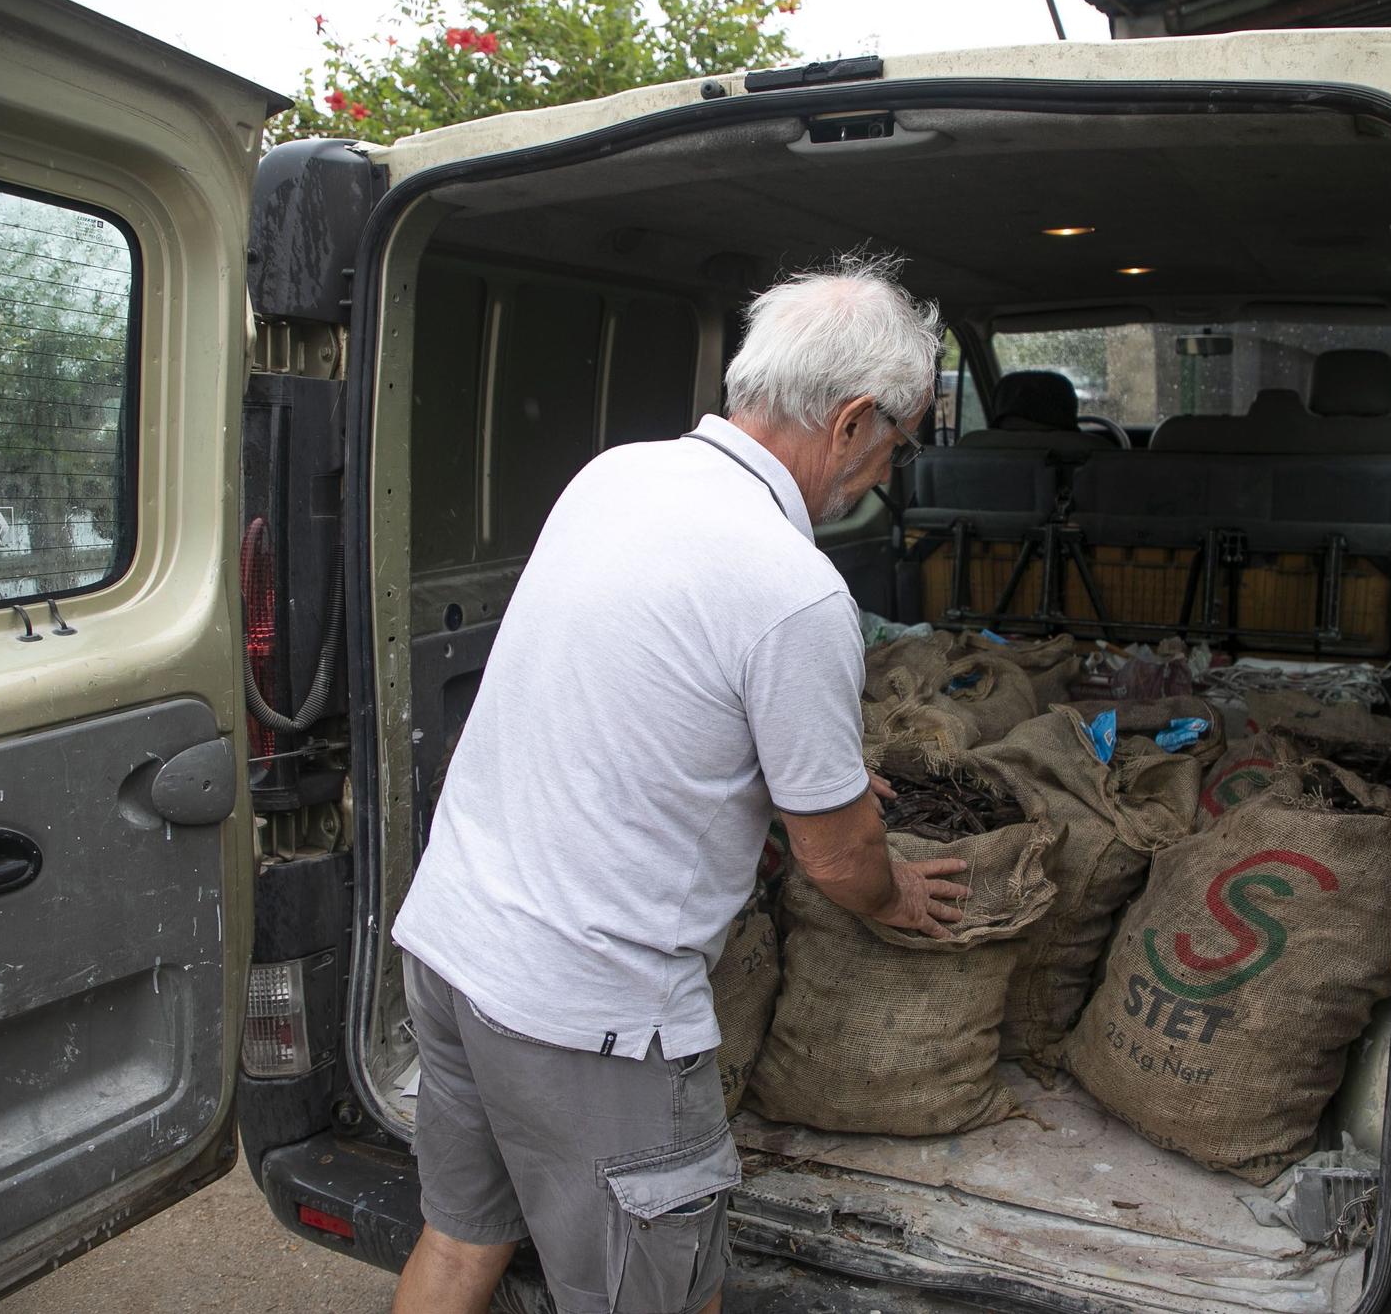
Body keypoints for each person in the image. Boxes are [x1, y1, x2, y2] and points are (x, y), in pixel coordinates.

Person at [388, 254, 971, 1314]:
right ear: (847, 423)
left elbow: (641, 698)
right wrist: (890, 893)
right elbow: (836, 860)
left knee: (460, 1242)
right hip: (585, 1014)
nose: (887, 470)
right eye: (894, 441)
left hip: (452, 944)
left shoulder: (616, 473)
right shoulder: (792, 591)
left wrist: (812, 785)